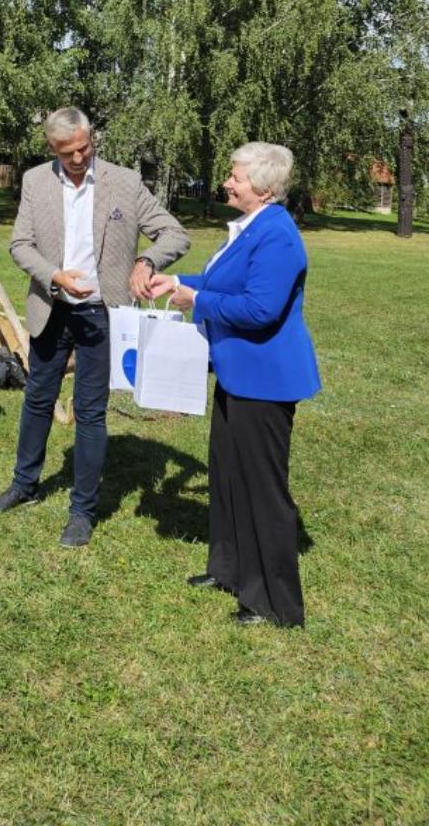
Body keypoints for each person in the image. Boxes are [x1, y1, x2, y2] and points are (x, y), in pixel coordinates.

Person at [0, 107, 189, 546]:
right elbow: (20, 244)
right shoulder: (35, 181)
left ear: (92, 138)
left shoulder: (125, 182)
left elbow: (174, 233)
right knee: (38, 399)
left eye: (85, 148)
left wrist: (146, 259)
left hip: (101, 314)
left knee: (90, 412)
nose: (79, 158)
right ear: (51, 149)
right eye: (68, 152)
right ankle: (24, 484)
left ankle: (82, 511)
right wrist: (54, 276)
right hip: (51, 307)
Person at [148, 143, 320, 627]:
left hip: (265, 382)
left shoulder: (278, 235)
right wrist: (176, 281)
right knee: (226, 477)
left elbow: (260, 309)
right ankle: (228, 569)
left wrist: (195, 300)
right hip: (236, 374)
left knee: (263, 490)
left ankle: (274, 603)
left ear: (262, 189)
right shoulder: (252, 228)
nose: (227, 182)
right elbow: (222, 281)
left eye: (235, 177)